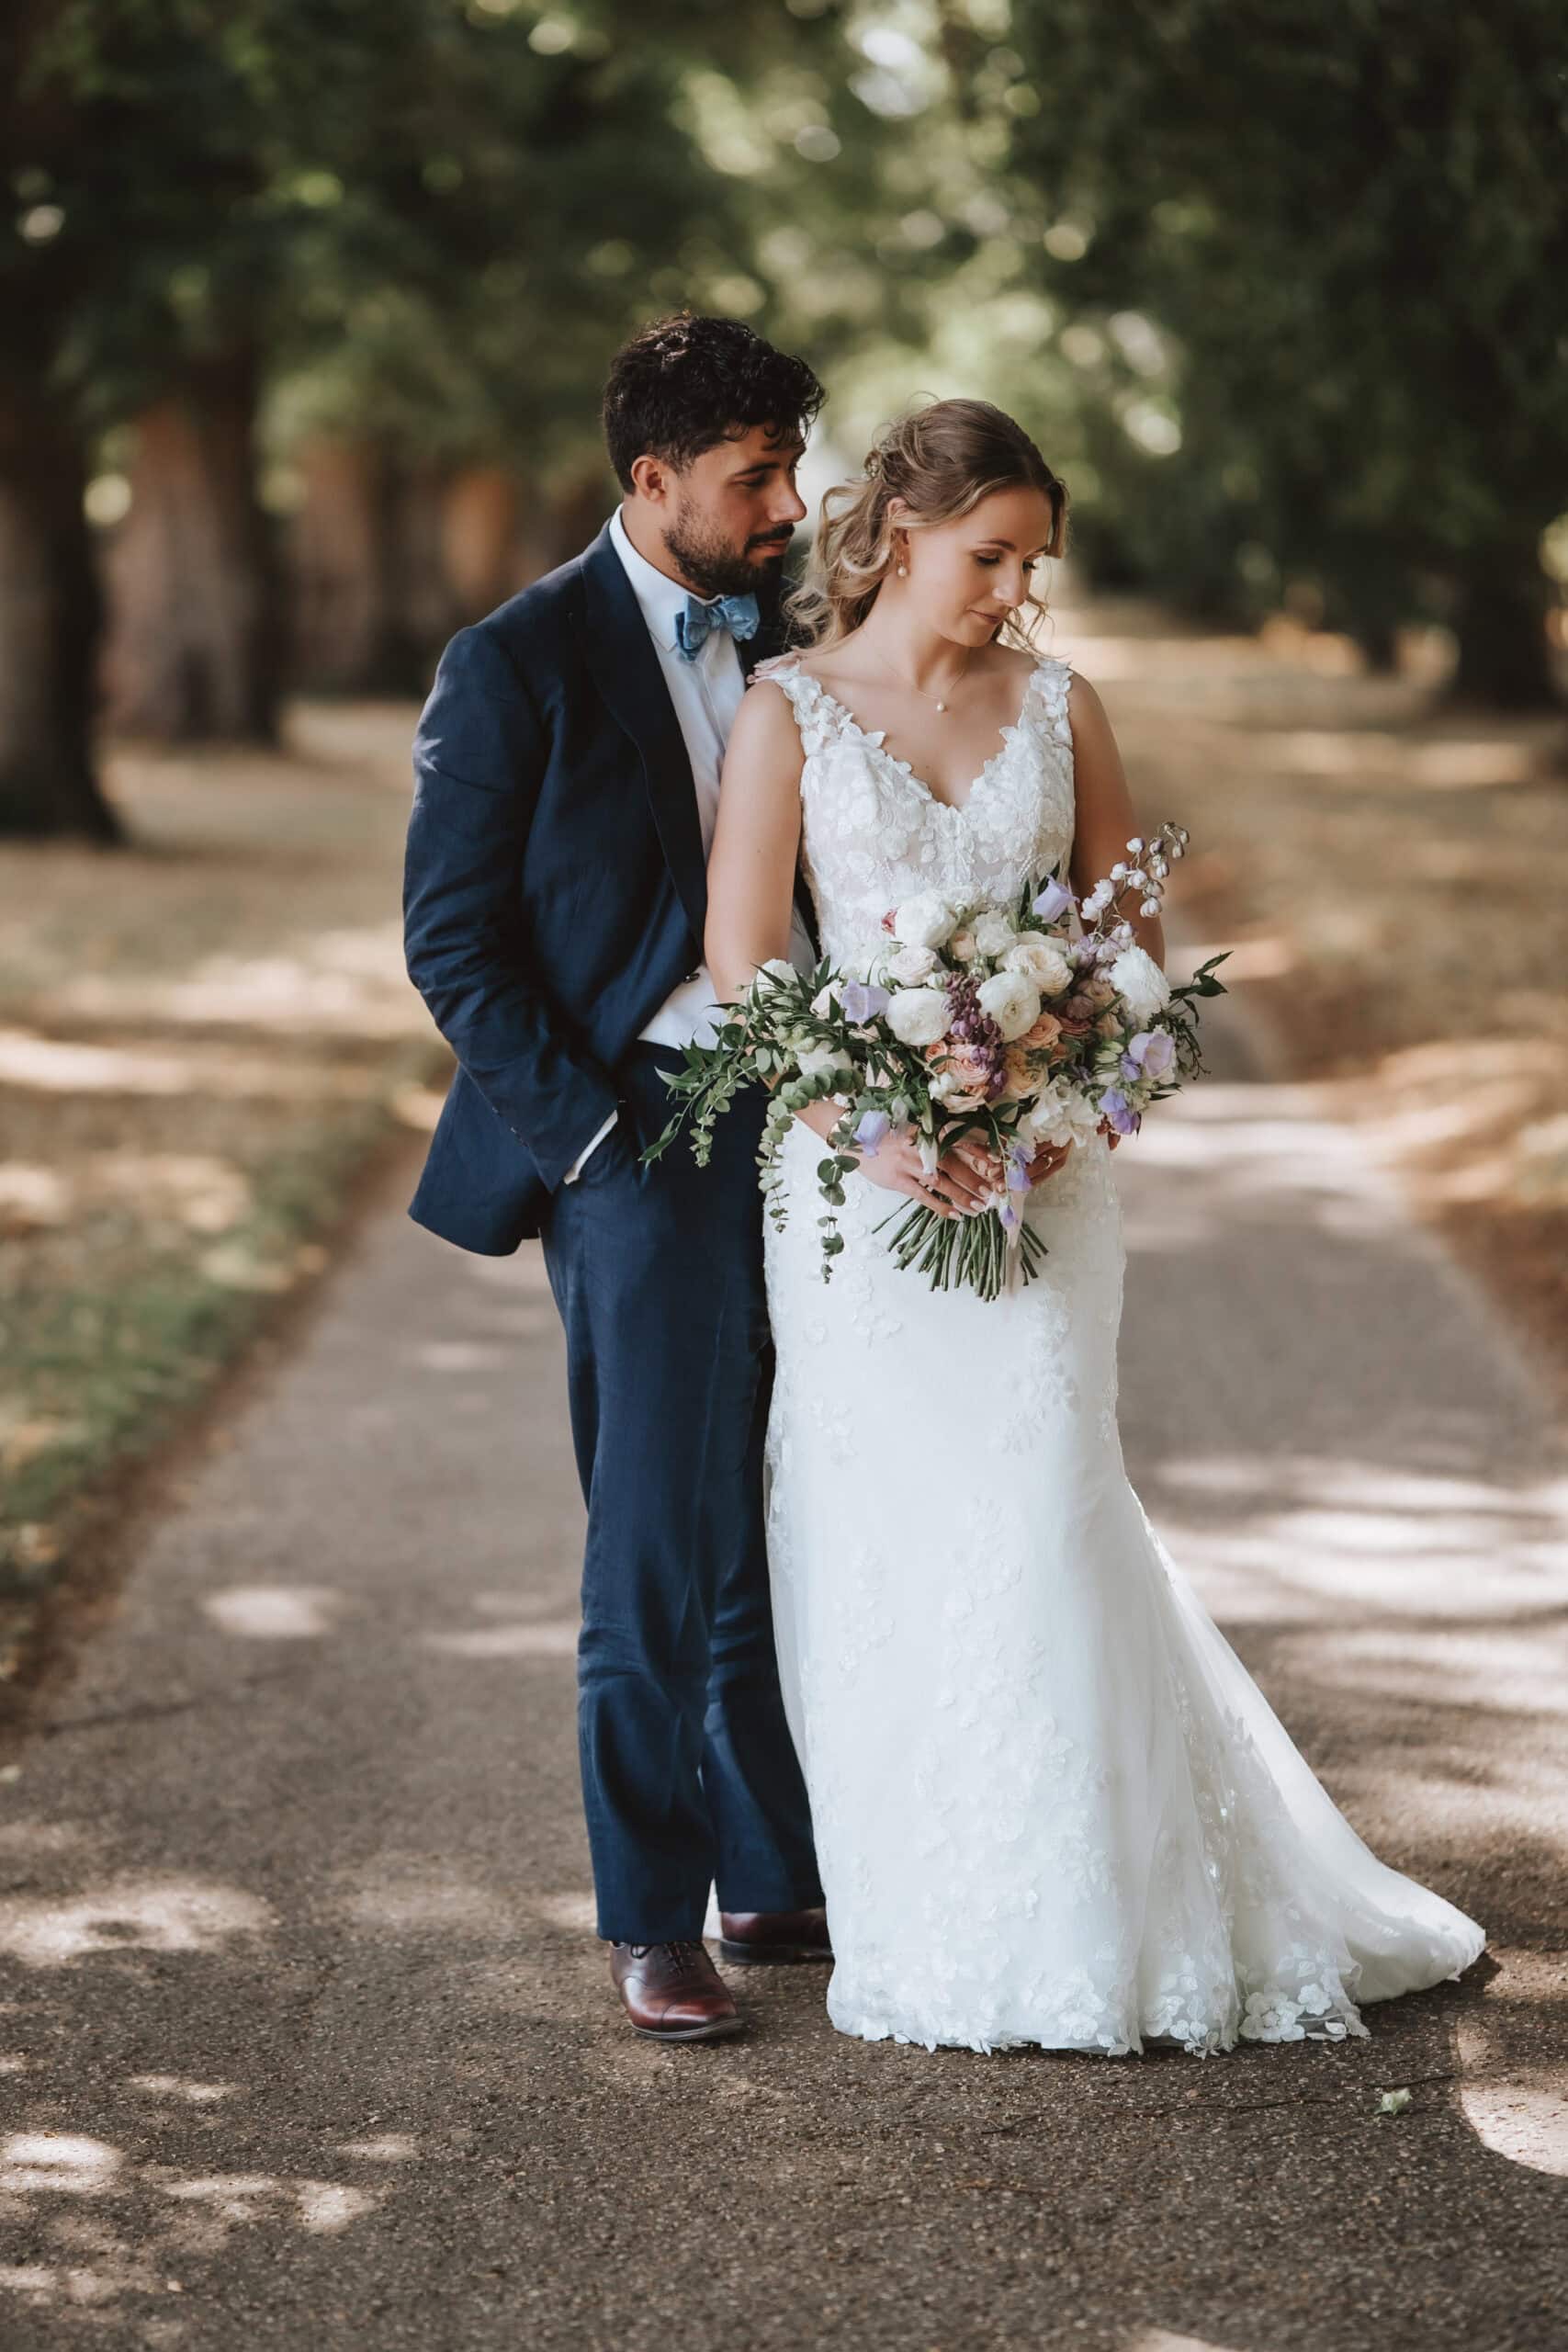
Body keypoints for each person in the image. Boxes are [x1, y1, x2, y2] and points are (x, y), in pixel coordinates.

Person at [704, 396, 1487, 2054]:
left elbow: (1130, 946)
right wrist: (873, 1130)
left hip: (1047, 1182)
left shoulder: (1063, 709)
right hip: (859, 1201)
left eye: (1032, 563)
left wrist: (1057, 1102)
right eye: (990, 556)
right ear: (901, 531)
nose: (1014, 591)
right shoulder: (786, 714)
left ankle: (1099, 1919)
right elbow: (746, 962)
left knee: (1049, 1504)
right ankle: (933, 1911)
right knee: (885, 1535)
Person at [402, 314, 832, 2042]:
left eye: (793, 468)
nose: (787, 506)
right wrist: (590, 1147)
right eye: (754, 476)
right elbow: (452, 942)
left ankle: (775, 1868)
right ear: (651, 479)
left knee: (785, 1504)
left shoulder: (801, 638)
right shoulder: (515, 661)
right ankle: (654, 1917)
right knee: (655, 1534)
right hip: (635, 1126)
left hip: (824, 1127)